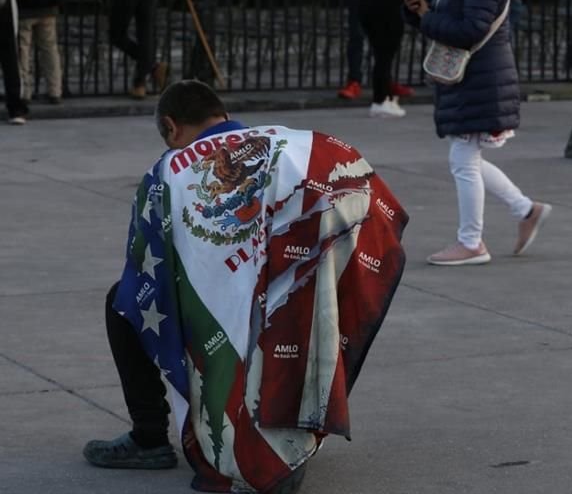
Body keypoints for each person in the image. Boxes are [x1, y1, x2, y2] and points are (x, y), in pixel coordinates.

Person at [83, 80, 408, 493]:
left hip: (252, 284)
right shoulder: (298, 141)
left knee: (123, 301)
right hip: (320, 251)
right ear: (221, 112)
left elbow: (149, 266)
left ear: (170, 126)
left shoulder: (169, 171)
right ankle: (293, 431)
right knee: (305, 311)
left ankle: (150, 436)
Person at [403, 0, 550, 265]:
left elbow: (471, 29)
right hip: (468, 77)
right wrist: (417, 11)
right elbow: (441, 19)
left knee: (462, 157)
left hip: (480, 75)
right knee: (467, 156)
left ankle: (472, 242)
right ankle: (525, 210)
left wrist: (427, 16)